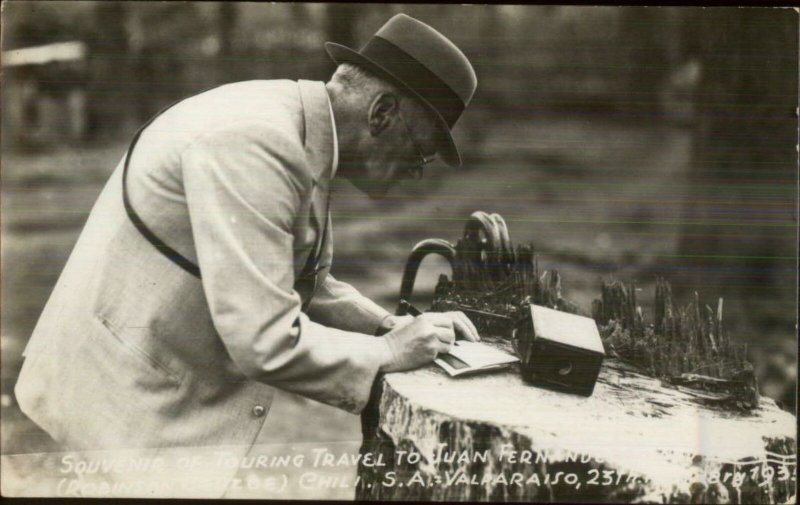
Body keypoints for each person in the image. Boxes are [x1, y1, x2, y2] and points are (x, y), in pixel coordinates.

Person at [15, 13, 478, 459]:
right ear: (380, 114)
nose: (414, 175)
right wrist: (390, 351)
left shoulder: (296, 126)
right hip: (114, 406)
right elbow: (265, 342)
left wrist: (386, 325)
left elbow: (297, 276)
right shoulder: (260, 144)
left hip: (136, 381)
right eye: (419, 155)